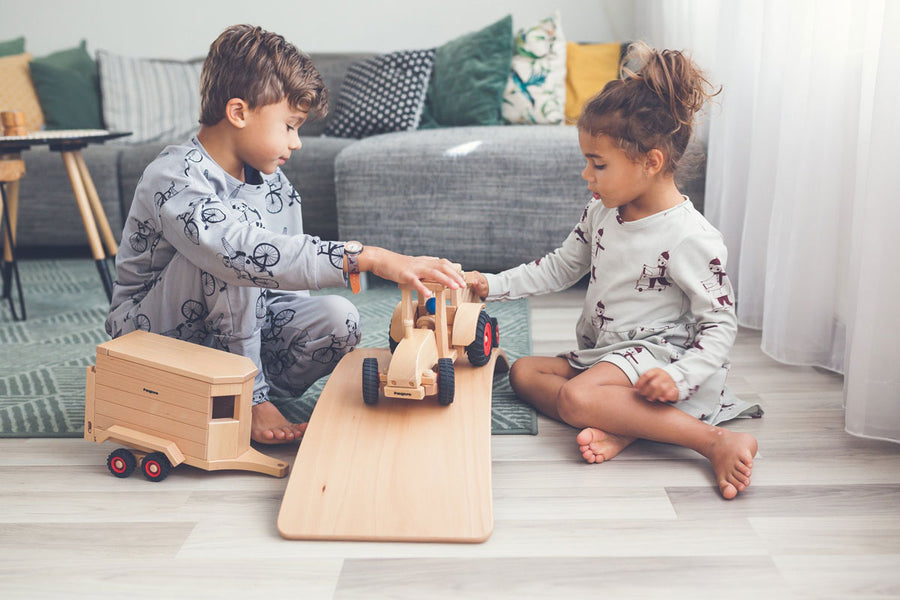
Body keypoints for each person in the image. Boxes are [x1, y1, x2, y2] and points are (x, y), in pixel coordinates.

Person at [106, 24, 465, 445]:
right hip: (150, 336)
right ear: (238, 113)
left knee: (339, 320)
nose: (296, 143)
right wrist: (367, 257)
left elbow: (285, 288)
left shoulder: (276, 186)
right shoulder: (174, 176)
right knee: (238, 259)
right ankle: (249, 399)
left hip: (235, 326)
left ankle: (240, 382)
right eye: (290, 126)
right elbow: (240, 255)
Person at [471, 42, 762, 499]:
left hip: (660, 363)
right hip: (609, 355)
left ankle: (713, 441)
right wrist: (489, 284)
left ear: (651, 162)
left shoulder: (689, 237)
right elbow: (561, 266)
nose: (588, 176)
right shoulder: (603, 210)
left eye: (598, 164)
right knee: (524, 373)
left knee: (577, 398)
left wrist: (680, 377)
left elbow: (719, 324)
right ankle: (628, 424)